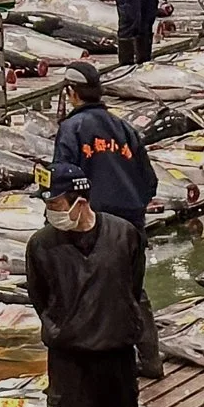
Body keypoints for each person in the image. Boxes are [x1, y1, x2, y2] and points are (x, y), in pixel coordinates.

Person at [24, 164, 148, 407]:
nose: (51, 211)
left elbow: (134, 287)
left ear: (80, 201)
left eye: (57, 202)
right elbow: (39, 298)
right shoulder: (41, 246)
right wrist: (65, 328)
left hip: (117, 357)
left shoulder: (124, 234)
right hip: (71, 363)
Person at [52, 61, 162, 379]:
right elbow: (149, 181)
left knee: (87, 290)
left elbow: (63, 180)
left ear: (72, 93)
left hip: (93, 222)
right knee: (132, 289)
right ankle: (151, 359)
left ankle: (100, 367)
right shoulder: (124, 128)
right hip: (131, 222)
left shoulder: (72, 129)